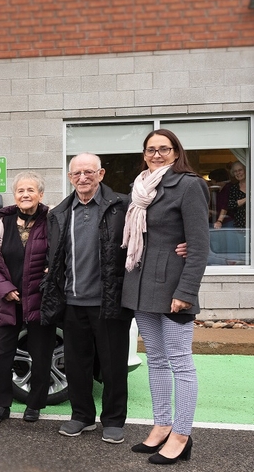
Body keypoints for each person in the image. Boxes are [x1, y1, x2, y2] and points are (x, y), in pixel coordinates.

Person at [122, 129, 209, 465]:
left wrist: (186, 292)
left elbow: (199, 245)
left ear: (176, 152)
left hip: (173, 289)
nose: (156, 154)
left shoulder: (188, 185)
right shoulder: (142, 187)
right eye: (150, 149)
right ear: (144, 154)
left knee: (180, 362)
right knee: (156, 359)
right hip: (142, 287)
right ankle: (161, 425)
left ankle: (182, 433)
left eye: (163, 149)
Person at [40, 152, 132, 444]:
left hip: (109, 301)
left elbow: (147, 237)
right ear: (69, 178)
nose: (83, 178)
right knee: (77, 365)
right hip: (71, 302)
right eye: (76, 173)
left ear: (101, 174)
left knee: (113, 365)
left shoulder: (122, 206)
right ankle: (81, 416)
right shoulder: (59, 213)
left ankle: (114, 420)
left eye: (89, 172)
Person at [0, 172, 55, 425]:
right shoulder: (0, 224)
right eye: (21, 190)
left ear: (40, 195)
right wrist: (4, 289)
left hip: (40, 300)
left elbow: (62, 254)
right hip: (6, 301)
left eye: (31, 190)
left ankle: (35, 405)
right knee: (2, 355)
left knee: (42, 354)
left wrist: (52, 270)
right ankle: (1, 405)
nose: (25, 195)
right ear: (15, 196)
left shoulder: (52, 221)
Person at [214, 161, 246, 228]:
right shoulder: (233, 188)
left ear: (246, 170)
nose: (238, 173)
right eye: (235, 171)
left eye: (240, 170)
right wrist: (247, 199)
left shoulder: (252, 185)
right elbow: (230, 204)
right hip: (239, 225)